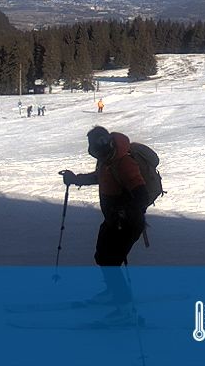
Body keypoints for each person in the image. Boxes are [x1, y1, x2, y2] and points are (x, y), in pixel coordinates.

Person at [59, 126, 149, 316]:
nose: (96, 153)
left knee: (111, 261)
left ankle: (124, 310)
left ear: (106, 143)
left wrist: (124, 212)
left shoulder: (124, 162)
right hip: (112, 220)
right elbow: (99, 178)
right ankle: (112, 293)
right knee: (102, 256)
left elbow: (141, 195)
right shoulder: (106, 161)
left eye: (97, 148)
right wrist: (75, 179)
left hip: (128, 223)